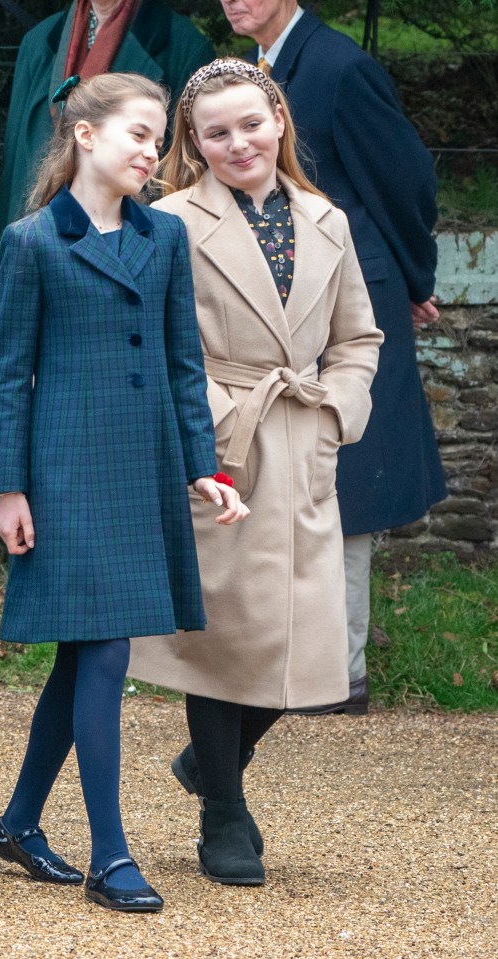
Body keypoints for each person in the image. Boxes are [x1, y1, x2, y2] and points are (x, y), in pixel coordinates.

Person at [0, 72, 248, 912]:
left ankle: (21, 822)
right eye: (139, 134)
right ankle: (111, 853)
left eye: (156, 137)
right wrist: (9, 489)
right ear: (85, 135)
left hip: (140, 469)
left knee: (84, 655)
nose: (152, 151)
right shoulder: (32, 240)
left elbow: (183, 361)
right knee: (102, 650)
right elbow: (8, 378)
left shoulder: (163, 238)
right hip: (65, 472)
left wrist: (202, 465)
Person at [128, 58, 383, 885]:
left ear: (279, 118)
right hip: (221, 446)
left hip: (302, 442)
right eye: (216, 132)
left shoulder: (327, 219)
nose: (238, 142)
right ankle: (223, 812)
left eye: (250, 122)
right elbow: (159, 344)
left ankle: (210, 764)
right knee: (225, 637)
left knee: (308, 639)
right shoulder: (166, 220)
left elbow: (356, 339)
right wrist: (213, 419)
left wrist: (336, 412)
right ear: (193, 145)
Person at [219, 0, 446, 713]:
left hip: (345, 297)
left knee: (343, 476)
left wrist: (412, 278)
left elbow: (404, 181)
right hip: (272, 300)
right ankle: (284, 664)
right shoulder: (250, 70)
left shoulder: (340, 67)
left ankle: (339, 675)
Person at [0, 0, 215, 268]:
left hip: (136, 250)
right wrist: (0, 260)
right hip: (41, 243)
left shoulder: (184, 45)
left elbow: (186, 166)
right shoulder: (38, 41)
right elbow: (16, 157)